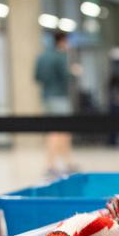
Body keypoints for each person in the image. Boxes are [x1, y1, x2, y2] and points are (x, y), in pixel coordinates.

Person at [33, 30, 75, 177]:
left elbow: (37, 77)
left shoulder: (42, 57)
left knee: (53, 130)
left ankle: (64, 162)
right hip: (60, 97)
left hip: (46, 96)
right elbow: (65, 75)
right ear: (62, 41)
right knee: (61, 132)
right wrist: (74, 72)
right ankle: (53, 164)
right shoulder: (60, 56)